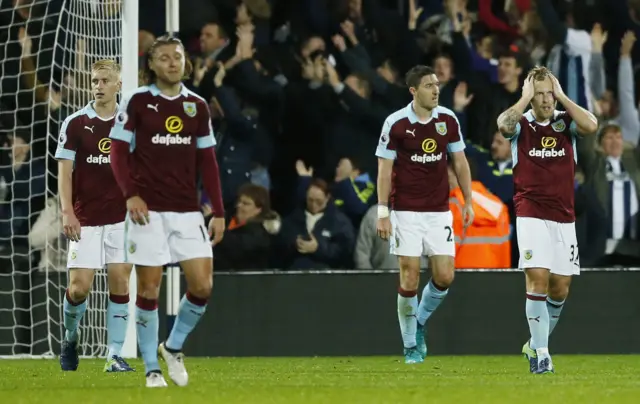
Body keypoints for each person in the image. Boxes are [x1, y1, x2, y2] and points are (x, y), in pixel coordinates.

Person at [108, 35, 225, 388]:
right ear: (152, 65)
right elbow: (116, 151)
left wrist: (218, 210)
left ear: (185, 62)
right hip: (148, 211)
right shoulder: (138, 101)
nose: (173, 62)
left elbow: (208, 161)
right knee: (148, 289)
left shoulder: (197, 106)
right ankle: (151, 369)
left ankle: (172, 347)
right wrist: (131, 195)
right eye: (164, 58)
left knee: (203, 285)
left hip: (188, 211)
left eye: (177, 56)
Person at [496, 66, 598, 374]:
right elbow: (503, 125)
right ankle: (542, 354)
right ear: (530, 96)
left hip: (563, 216)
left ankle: (533, 344)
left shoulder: (566, 123)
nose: (545, 100)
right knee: (537, 278)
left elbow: (592, 125)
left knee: (560, 287)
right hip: (530, 212)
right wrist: (524, 97)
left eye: (548, 93)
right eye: (538, 94)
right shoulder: (521, 125)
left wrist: (563, 96)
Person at [375, 65, 474, 364]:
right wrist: (383, 212)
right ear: (413, 91)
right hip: (405, 210)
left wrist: (468, 200)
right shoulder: (395, 123)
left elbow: (460, 161)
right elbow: (384, 169)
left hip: (438, 211)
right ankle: (409, 346)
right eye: (429, 85)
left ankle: (417, 322)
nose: (435, 90)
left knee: (445, 276)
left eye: (437, 84)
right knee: (409, 276)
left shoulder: (447, 119)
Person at [54, 60, 134, 373]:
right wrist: (67, 212)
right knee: (78, 289)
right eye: (94, 81)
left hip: (121, 218)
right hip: (85, 218)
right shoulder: (75, 123)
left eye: (104, 81)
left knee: (120, 281)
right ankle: (70, 338)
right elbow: (64, 172)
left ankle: (113, 355)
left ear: (118, 85)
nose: (98, 86)